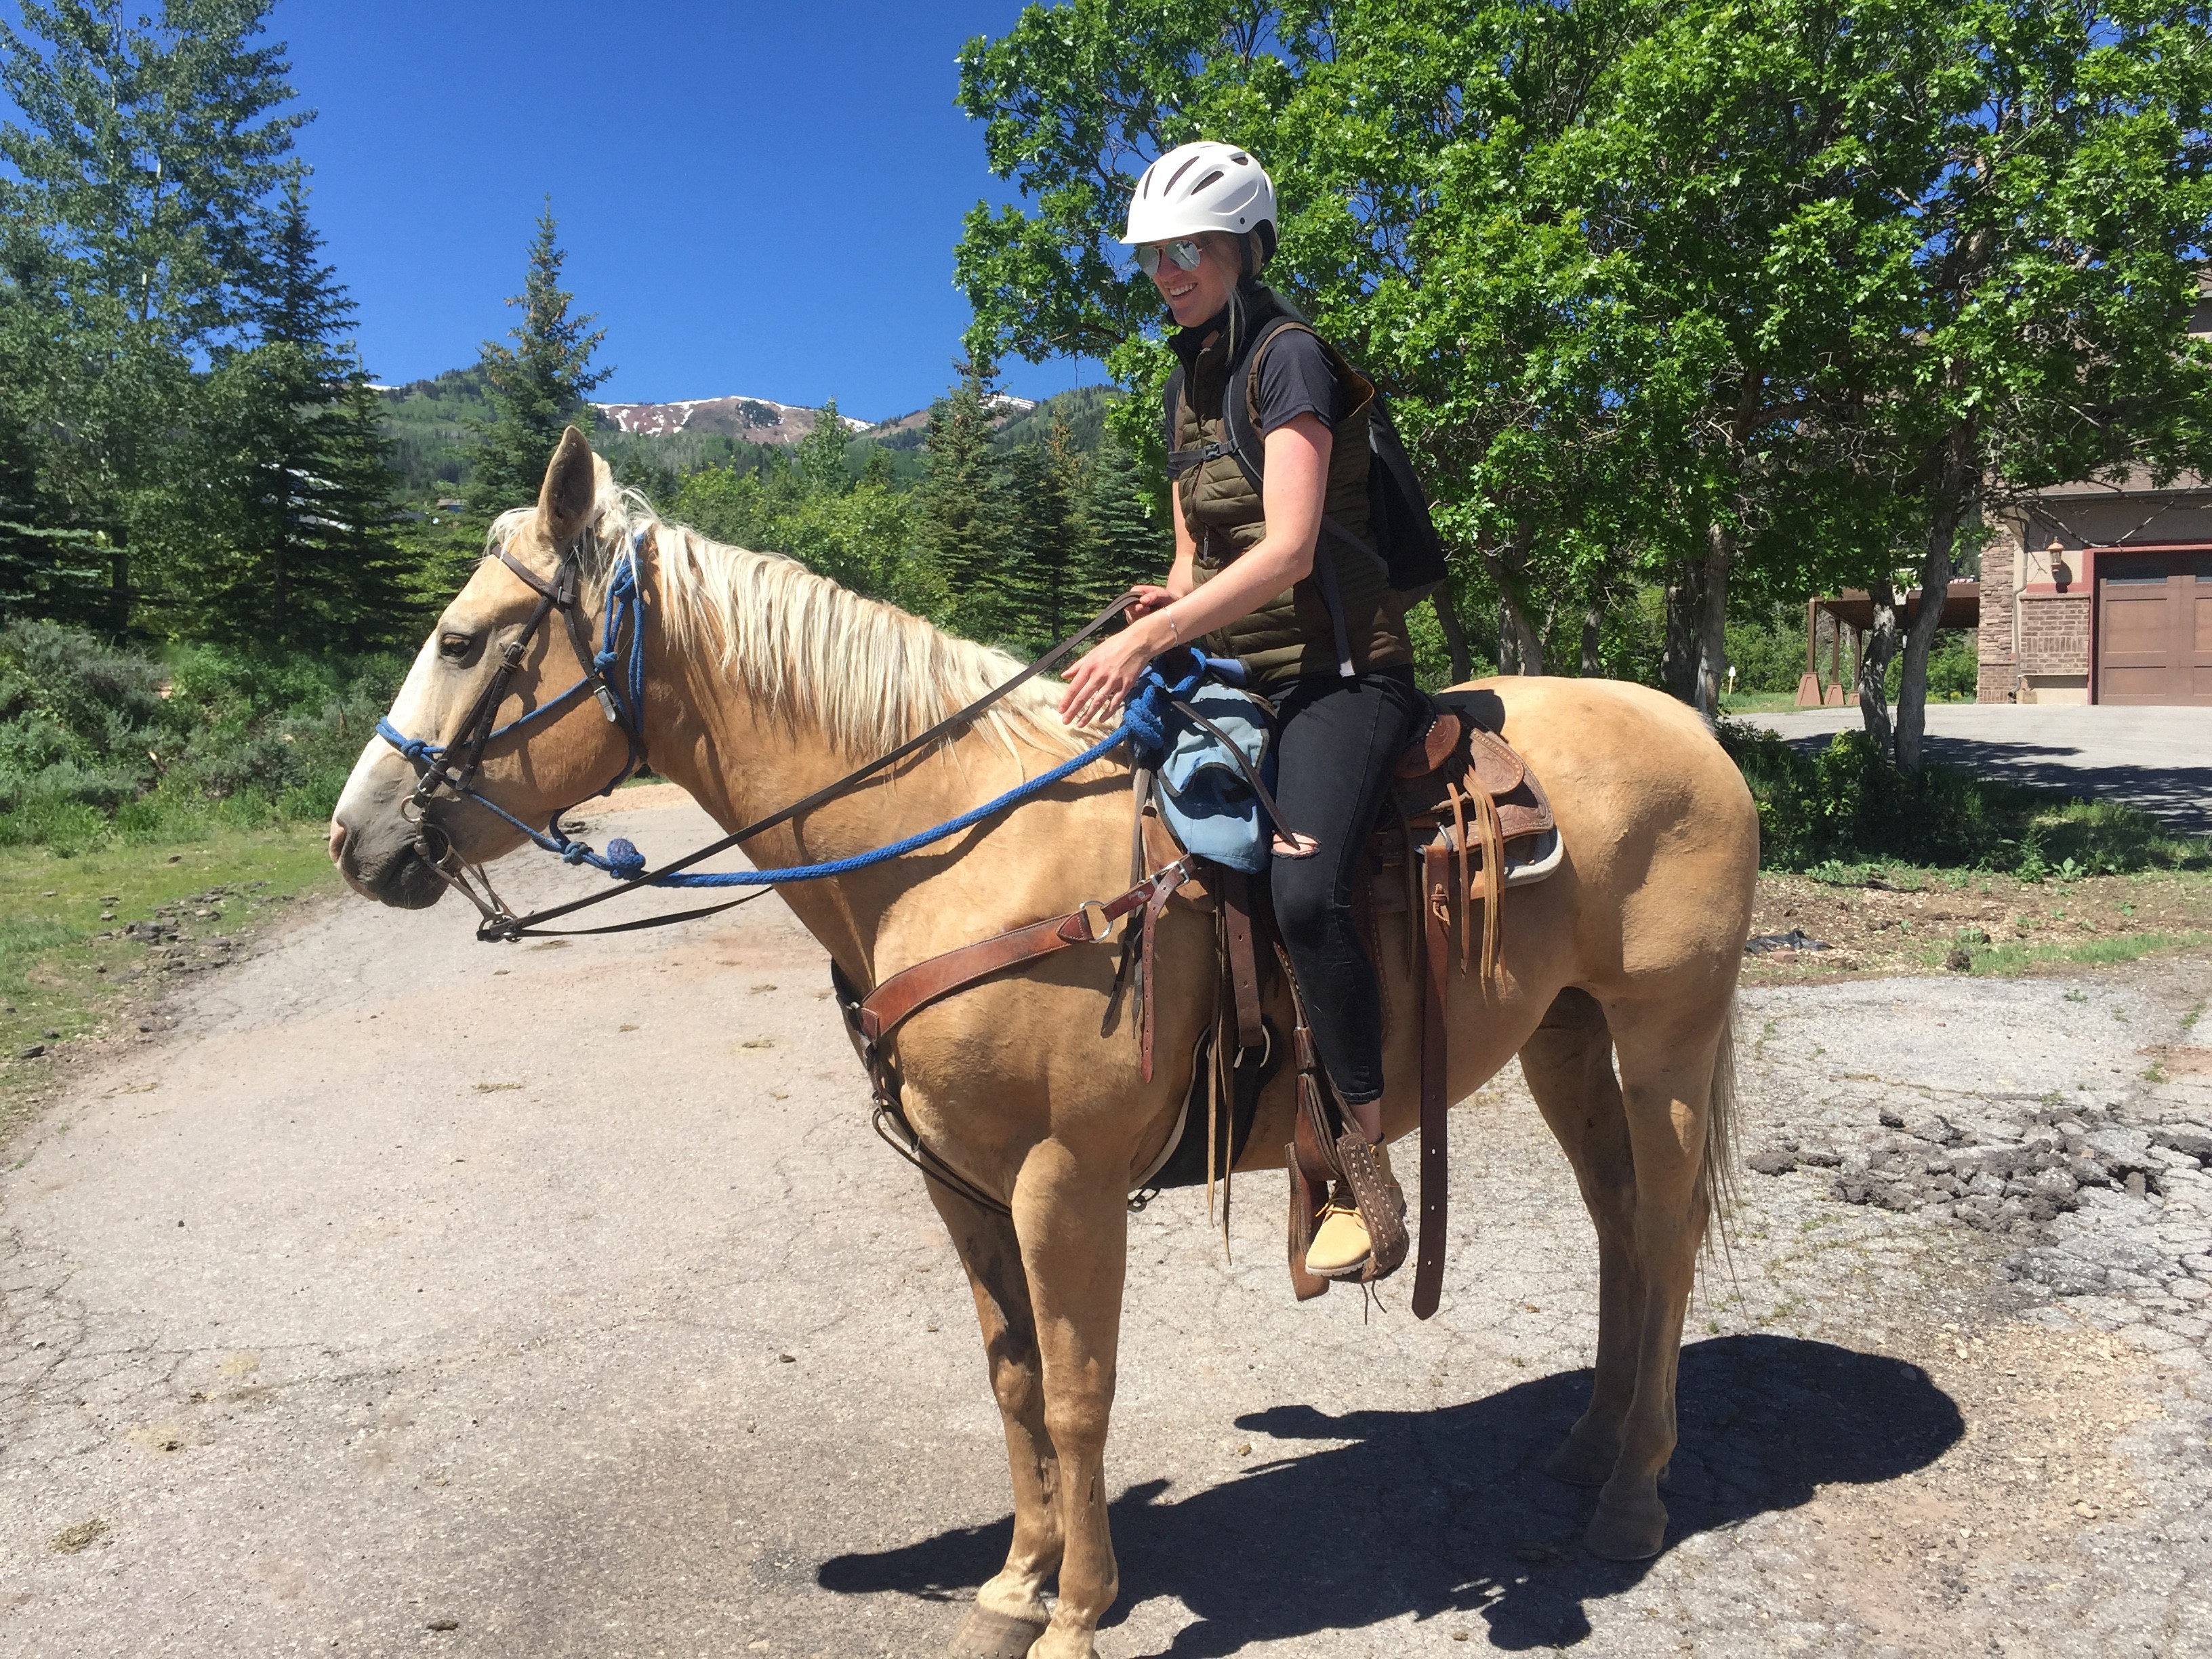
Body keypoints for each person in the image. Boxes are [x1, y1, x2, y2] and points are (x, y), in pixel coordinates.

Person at [1057, 140, 1425, 1280]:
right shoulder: (1184, 375)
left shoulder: (1290, 359)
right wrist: (1160, 599)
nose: (1168, 271)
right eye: (1154, 256)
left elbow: (1290, 548)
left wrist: (1153, 637)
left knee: (1307, 885)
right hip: (1240, 672)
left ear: (1244, 249)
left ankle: (1363, 1162)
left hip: (1339, 674)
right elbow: (1193, 549)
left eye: (1189, 250)